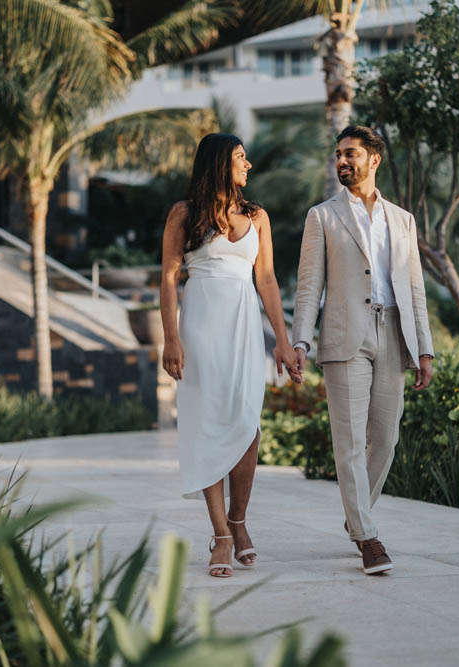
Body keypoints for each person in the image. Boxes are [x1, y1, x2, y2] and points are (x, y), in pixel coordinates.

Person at [292, 125, 435, 576]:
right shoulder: (323, 216)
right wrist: (300, 339)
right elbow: (308, 285)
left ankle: (357, 516)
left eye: (351, 153)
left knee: (386, 438)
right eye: (338, 154)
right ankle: (368, 537)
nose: (342, 161)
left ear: (374, 159)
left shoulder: (403, 219)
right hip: (345, 334)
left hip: (393, 331)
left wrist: (424, 349)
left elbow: (415, 289)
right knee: (350, 441)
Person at [160, 133, 303, 578]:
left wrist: (282, 339)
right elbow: (167, 279)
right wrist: (171, 338)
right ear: (221, 162)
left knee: (245, 422)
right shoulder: (184, 214)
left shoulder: (257, 216)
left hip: (244, 325)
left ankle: (239, 519)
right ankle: (222, 534)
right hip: (201, 324)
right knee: (207, 423)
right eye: (241, 158)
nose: (249, 164)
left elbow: (268, 282)